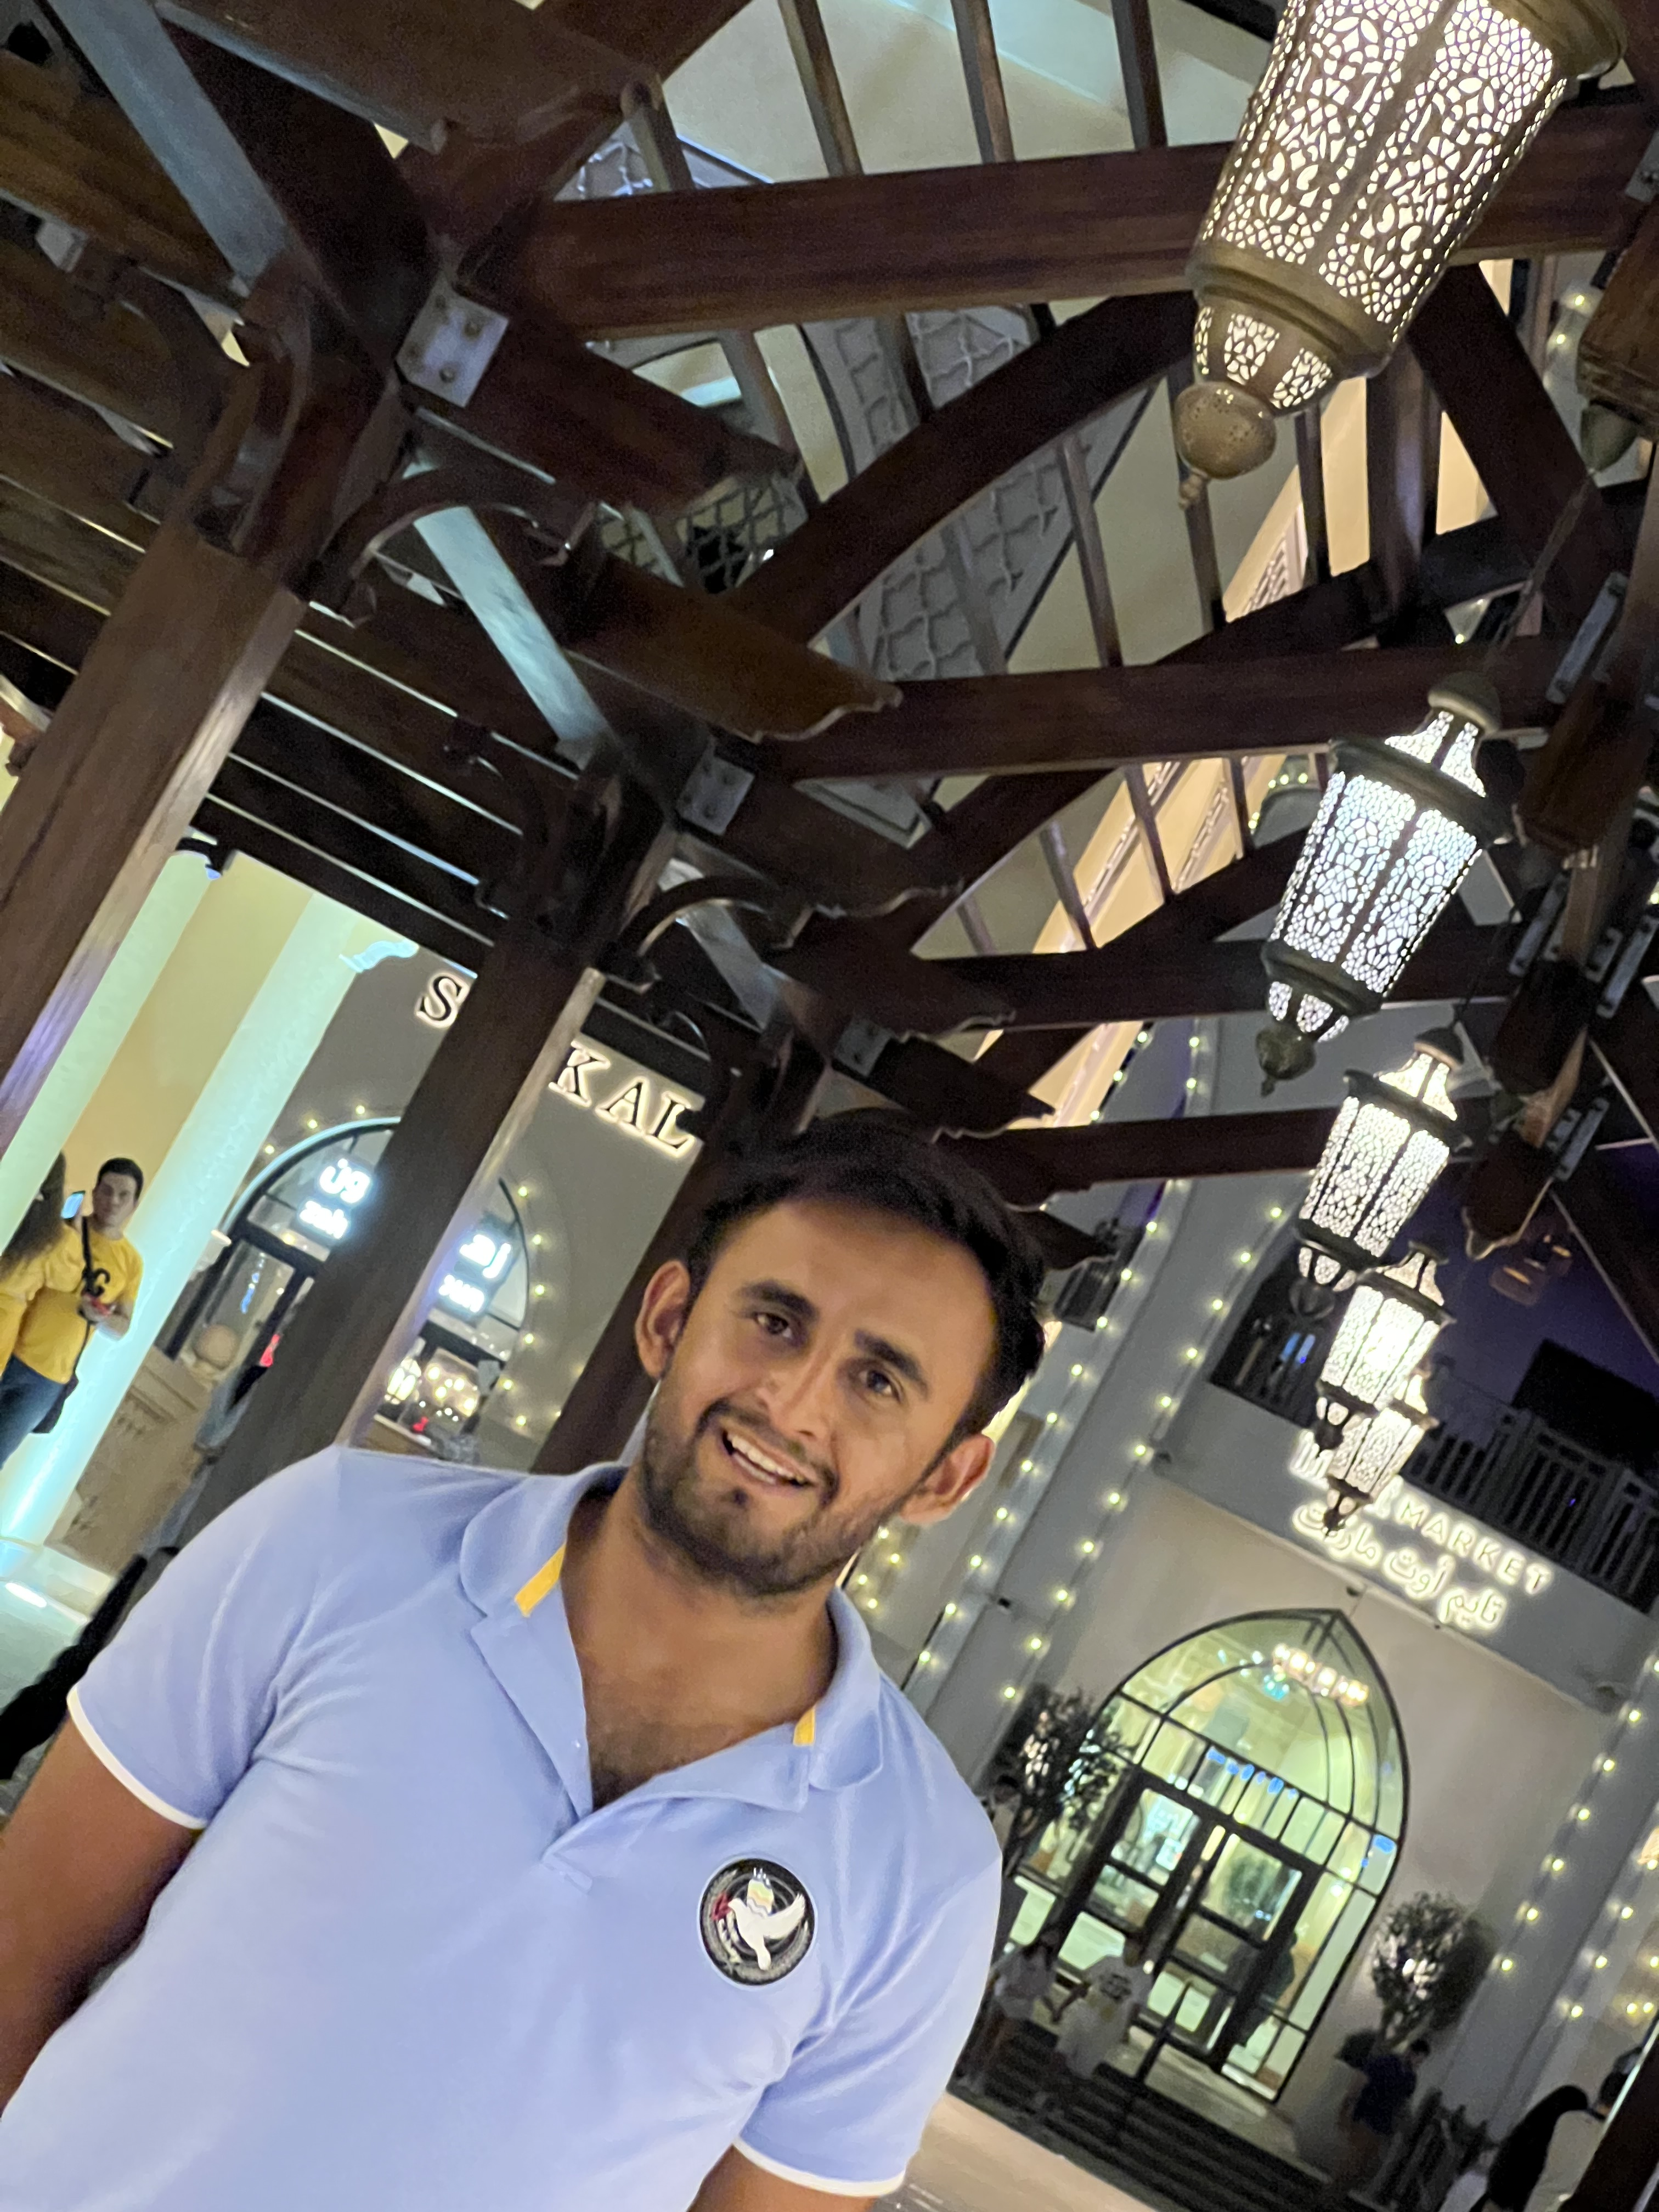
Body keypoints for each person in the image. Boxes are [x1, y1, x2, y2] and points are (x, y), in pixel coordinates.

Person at [0, 1115, 1048, 2210]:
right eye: (774, 1322)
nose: (794, 1403)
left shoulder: (919, 1872)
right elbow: (22, 1944)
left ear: (946, 1477)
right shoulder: (330, 1540)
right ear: (669, 1318)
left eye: (878, 1381)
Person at [0, 1157, 144, 1466]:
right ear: (94, 1192)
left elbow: (123, 1325)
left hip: (48, 1377)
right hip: (9, 1345)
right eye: (107, 1191)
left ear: (135, 1204)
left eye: (124, 1195)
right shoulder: (64, 1227)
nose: (113, 1201)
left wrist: (101, 1318)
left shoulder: (131, 1263)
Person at [1041, 1934, 1153, 2108]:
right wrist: (1062, 2008)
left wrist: (1126, 2029)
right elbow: (1084, 1985)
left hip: (1106, 2027)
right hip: (1084, 2014)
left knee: (1081, 2071)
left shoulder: (1143, 1979)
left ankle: (1062, 2107)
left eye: (1136, 1947)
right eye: (1130, 1944)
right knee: (1060, 2054)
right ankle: (1042, 2094)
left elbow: (1135, 2007)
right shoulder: (1109, 1962)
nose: (1130, 1949)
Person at [1326, 2036, 1431, 2200]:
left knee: (1363, 2168)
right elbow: (1359, 2083)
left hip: (1383, 2127)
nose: (1418, 2064)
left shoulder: (1410, 2078)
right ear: (1411, 2052)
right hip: (1366, 2118)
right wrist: (1346, 2108)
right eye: (1419, 2059)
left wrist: (1400, 2127)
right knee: (1351, 2162)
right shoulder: (1384, 2063)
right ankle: (1330, 2194)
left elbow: (1402, 2104)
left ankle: (1339, 2195)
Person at [960, 1934, 1060, 2092]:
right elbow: (1000, 1970)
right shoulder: (1021, 1952)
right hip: (1003, 1997)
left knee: (1000, 2044)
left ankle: (981, 2078)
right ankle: (969, 2074)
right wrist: (988, 1989)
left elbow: (1044, 1992)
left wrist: (1054, 2011)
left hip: (1022, 2006)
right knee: (986, 2036)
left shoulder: (1051, 1966)